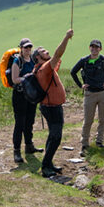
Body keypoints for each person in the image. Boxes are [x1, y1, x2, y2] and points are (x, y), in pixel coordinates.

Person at [33, 29, 74, 178]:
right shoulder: (44, 69)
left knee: (53, 136)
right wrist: (66, 38)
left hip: (50, 107)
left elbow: (56, 59)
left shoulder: (41, 69)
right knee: (56, 137)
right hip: (52, 108)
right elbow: (58, 54)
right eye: (43, 51)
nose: (47, 51)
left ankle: (48, 163)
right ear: (37, 57)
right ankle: (45, 166)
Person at [70, 39, 104, 155]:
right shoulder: (84, 61)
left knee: (103, 119)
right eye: (92, 47)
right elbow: (73, 72)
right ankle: (84, 143)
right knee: (88, 120)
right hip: (89, 94)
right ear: (89, 48)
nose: (94, 49)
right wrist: (80, 85)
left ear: (100, 49)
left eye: (96, 47)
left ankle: (99, 141)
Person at [10, 38, 42, 163]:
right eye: (25, 47)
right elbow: (14, 79)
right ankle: (16, 151)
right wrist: (27, 79)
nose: (28, 49)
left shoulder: (33, 60)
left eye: (29, 47)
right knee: (20, 123)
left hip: (31, 95)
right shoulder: (17, 61)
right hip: (19, 96)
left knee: (30, 121)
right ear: (21, 48)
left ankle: (29, 145)